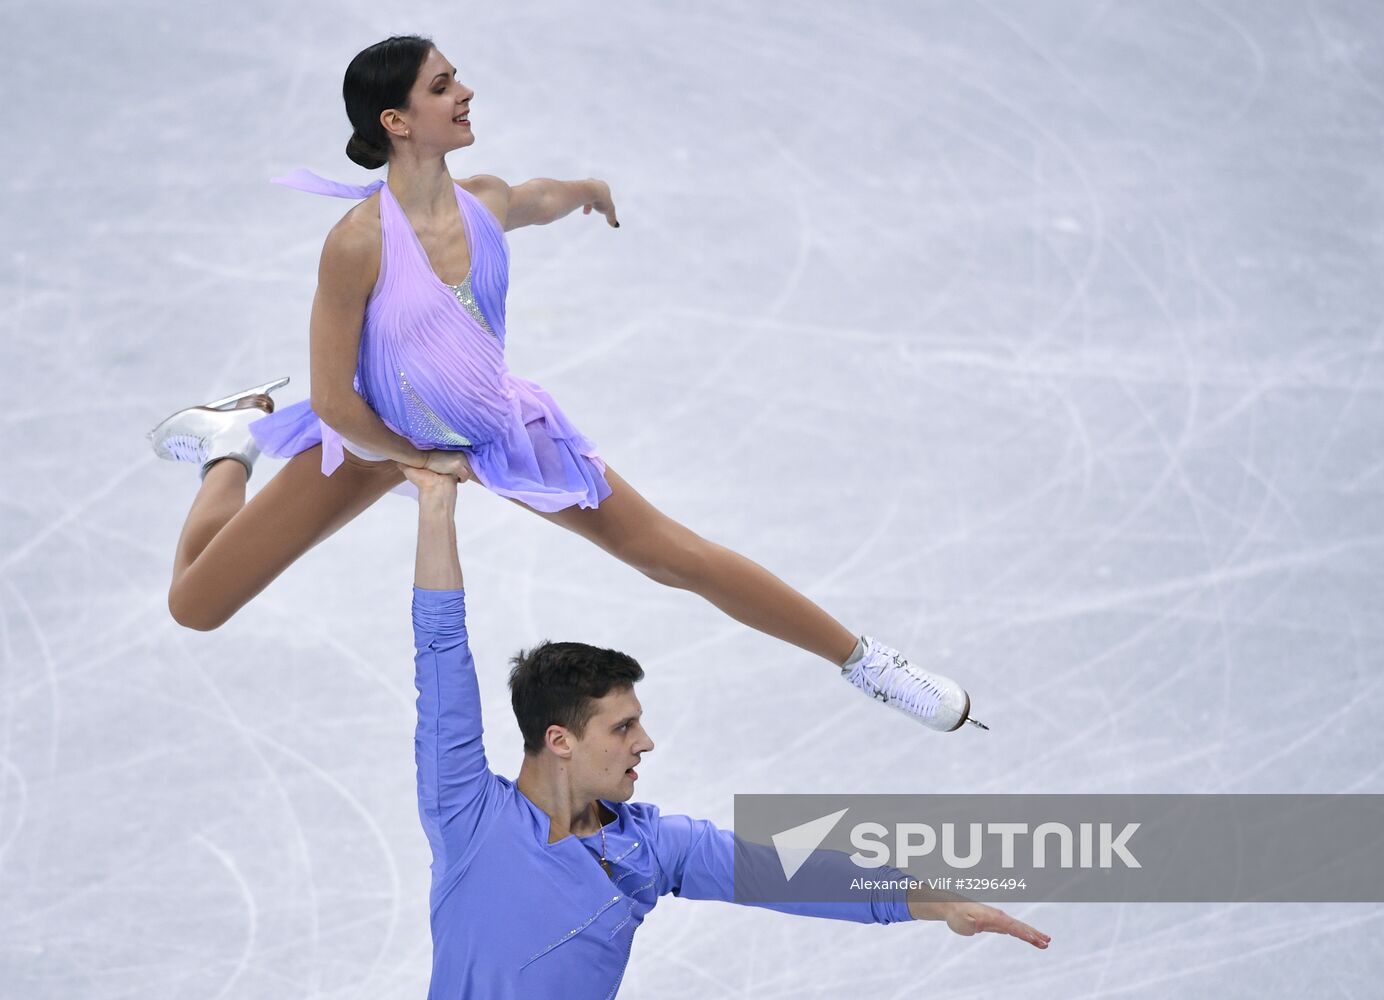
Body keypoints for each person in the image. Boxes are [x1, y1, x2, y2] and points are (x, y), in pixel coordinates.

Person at [146, 33, 984, 733]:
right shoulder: (356, 243)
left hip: (500, 432)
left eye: (457, 77)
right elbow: (334, 401)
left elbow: (537, 198)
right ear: (396, 121)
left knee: (671, 556)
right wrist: (418, 461)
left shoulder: (482, 201)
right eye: (442, 86)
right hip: (376, 440)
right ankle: (230, 445)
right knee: (197, 605)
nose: (465, 92)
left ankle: (866, 663)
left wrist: (586, 191)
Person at [400, 460, 1048, 997]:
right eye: (623, 728)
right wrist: (435, 504)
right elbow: (440, 653)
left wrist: (935, 902)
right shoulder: (467, 814)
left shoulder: (651, 848)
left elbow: (791, 874)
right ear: (559, 739)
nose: (645, 742)